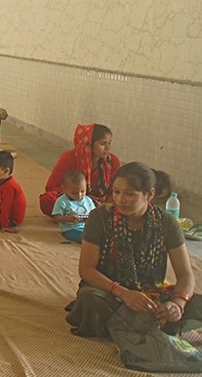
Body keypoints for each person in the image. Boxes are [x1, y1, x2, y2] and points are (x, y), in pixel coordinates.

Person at [65, 162, 201, 338]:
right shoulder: (100, 217)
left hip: (151, 295)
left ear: (149, 194)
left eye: (129, 194)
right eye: (116, 192)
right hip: (110, 292)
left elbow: (185, 275)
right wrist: (124, 294)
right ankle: (144, 324)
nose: (120, 200)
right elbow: (86, 270)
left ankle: (139, 322)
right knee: (90, 299)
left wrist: (177, 303)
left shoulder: (166, 223)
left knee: (195, 305)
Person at [40, 123, 120, 217]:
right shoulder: (69, 157)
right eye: (102, 144)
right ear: (88, 144)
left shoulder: (112, 162)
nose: (108, 148)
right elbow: (51, 187)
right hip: (73, 201)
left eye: (109, 143)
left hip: (100, 203)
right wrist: (79, 196)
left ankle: (92, 214)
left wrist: (105, 203)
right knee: (47, 200)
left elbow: (116, 190)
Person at [0, 150, 26, 233]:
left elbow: (6, 207)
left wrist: (4, 225)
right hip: (0, 212)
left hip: (11, 218)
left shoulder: (10, 187)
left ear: (6, 171)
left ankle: (10, 227)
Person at [51, 170, 96, 243]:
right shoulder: (62, 201)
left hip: (87, 227)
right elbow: (56, 218)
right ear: (64, 190)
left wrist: (90, 218)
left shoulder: (88, 200)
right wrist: (67, 218)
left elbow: (95, 214)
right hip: (71, 229)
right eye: (74, 193)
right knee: (85, 237)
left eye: (82, 191)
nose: (79, 195)